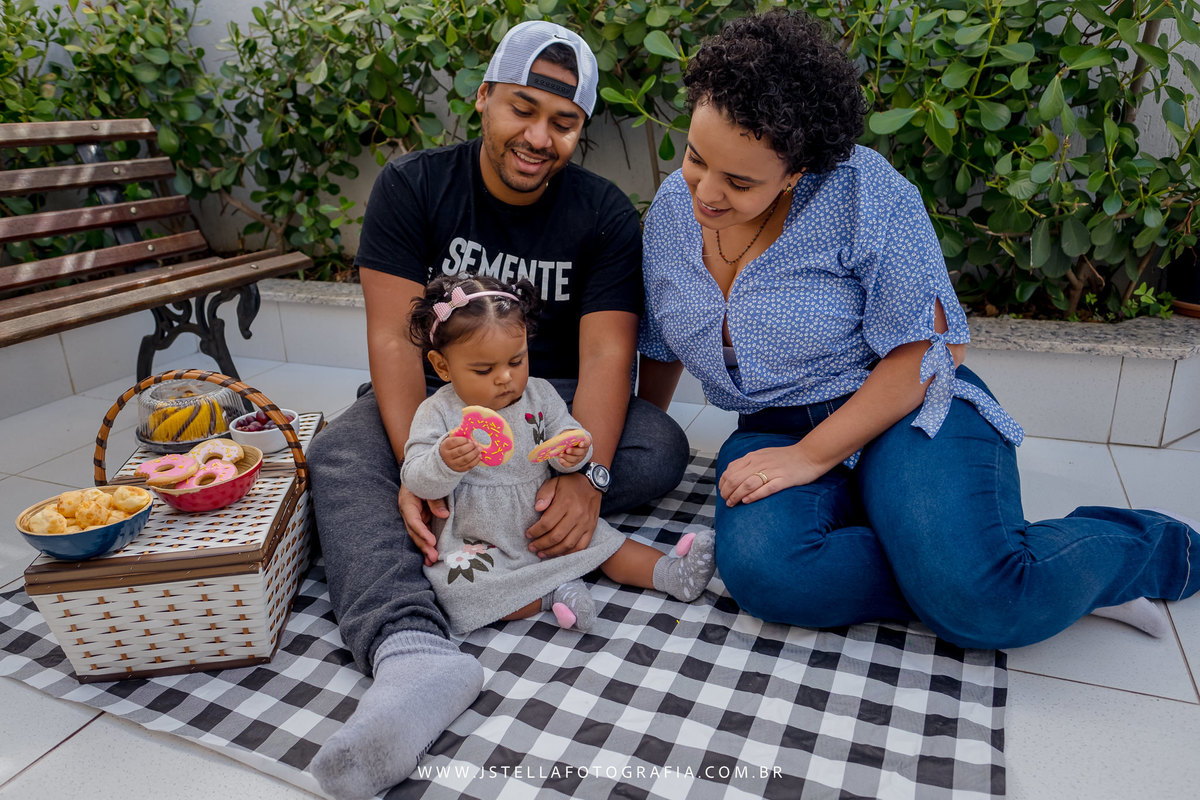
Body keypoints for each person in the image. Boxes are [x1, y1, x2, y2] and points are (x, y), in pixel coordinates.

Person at [636, 9, 1199, 652]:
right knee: (769, 577)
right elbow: (660, 342)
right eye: (694, 158)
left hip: (905, 407)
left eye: (738, 181)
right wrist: (639, 448)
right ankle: (977, 564)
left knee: (986, 611)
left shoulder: (863, 193)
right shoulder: (669, 219)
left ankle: (1152, 551)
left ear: (797, 172)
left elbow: (929, 350)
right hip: (772, 424)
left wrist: (809, 457)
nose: (704, 191)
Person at [307, 21, 689, 800]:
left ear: (580, 130)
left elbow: (611, 357)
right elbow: (390, 337)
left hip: (551, 416)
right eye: (522, 108)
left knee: (658, 446)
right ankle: (415, 651)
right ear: (482, 98)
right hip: (444, 412)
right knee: (344, 457)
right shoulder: (413, 186)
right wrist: (420, 467)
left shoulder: (606, 213)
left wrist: (587, 477)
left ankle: (497, 520)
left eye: (563, 122)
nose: (538, 136)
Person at [403, 275, 715, 635]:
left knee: (606, 542)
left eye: (517, 361)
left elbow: (566, 435)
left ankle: (672, 574)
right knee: (460, 590)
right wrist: (443, 461)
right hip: (478, 538)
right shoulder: (438, 412)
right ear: (442, 367)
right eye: (484, 370)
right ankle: (551, 594)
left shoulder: (540, 395)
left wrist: (574, 453)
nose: (505, 377)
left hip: (543, 519)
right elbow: (415, 476)